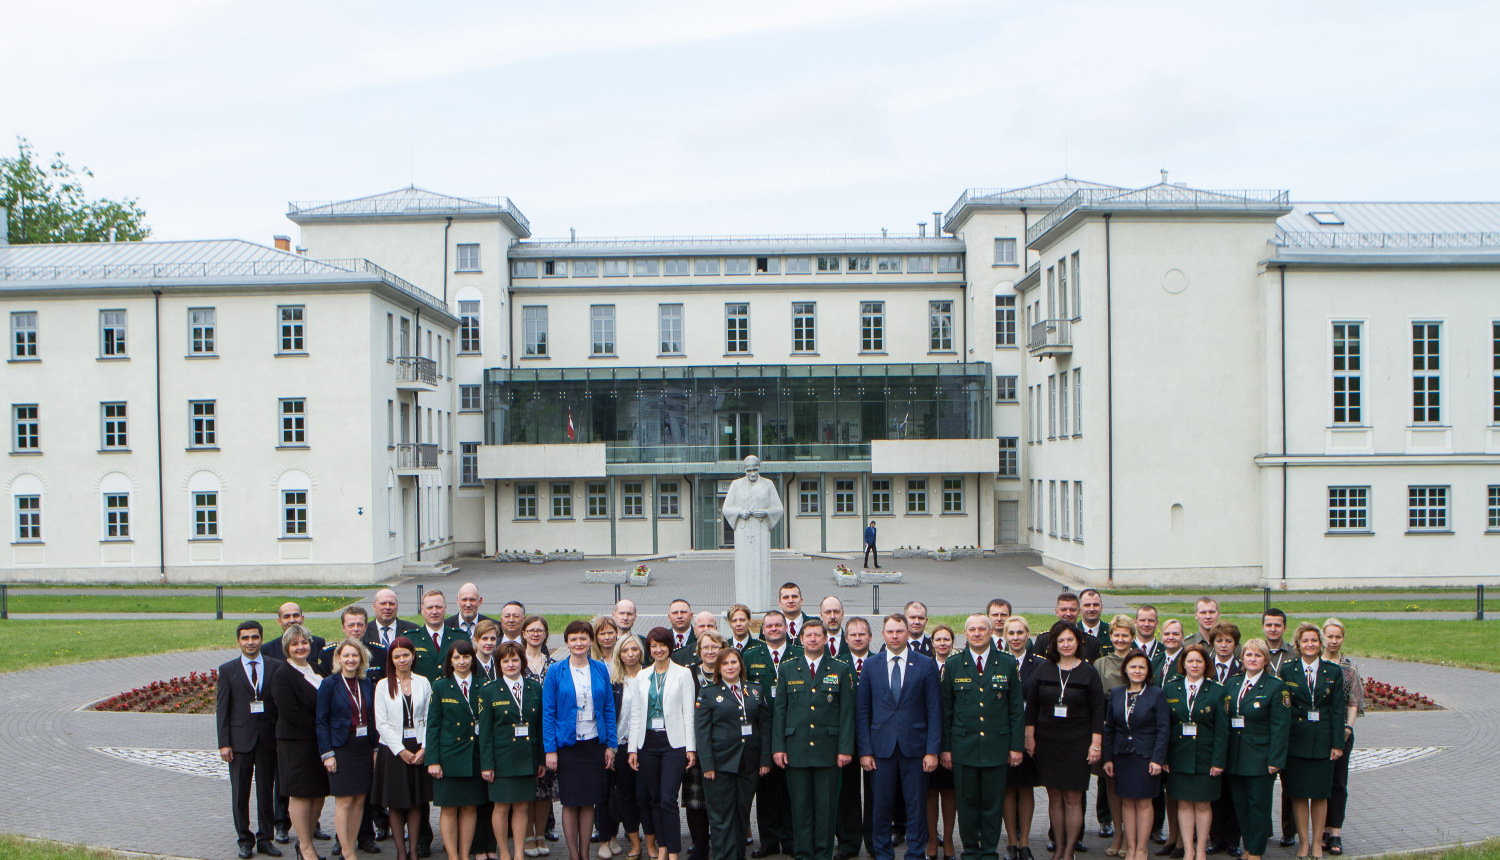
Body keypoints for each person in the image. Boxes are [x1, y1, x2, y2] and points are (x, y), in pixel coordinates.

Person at [941, 615, 1024, 860]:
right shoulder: (954, 664)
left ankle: (988, 852)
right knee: (966, 804)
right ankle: (970, 852)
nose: (977, 634)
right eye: (972, 630)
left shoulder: (1007, 663)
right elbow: (946, 711)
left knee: (992, 803)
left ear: (991, 632)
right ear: (965, 634)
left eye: (982, 629)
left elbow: (1016, 709)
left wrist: (1016, 747)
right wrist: (945, 748)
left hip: (996, 746)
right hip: (963, 747)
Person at [773, 619, 855, 860]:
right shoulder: (788, 668)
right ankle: (803, 854)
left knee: (826, 808)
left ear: (825, 639)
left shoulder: (840, 668)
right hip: (796, 749)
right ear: (800, 639)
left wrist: (845, 749)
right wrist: (778, 746)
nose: (813, 639)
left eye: (818, 635)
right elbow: (780, 711)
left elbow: (847, 713)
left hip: (828, 751)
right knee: (800, 808)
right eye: (808, 635)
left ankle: (822, 854)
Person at [862, 614, 942, 860]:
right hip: (880, 750)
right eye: (890, 631)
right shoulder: (871, 665)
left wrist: (932, 750)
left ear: (908, 633)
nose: (895, 635)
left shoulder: (926, 664)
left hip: (916, 749)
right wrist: (864, 750)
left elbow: (934, 710)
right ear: (883, 635)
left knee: (916, 808)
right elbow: (863, 711)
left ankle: (916, 854)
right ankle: (883, 853)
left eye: (899, 631)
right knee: (881, 808)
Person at [1026, 621, 1106, 860]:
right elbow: (1032, 708)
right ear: (1054, 644)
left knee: (1073, 797)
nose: (1065, 644)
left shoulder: (1088, 672)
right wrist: (1029, 738)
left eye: (1070, 640)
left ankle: (1069, 850)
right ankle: (1058, 847)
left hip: (1078, 741)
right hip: (1048, 741)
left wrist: (1096, 744)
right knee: (1054, 796)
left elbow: (1098, 711)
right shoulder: (1044, 669)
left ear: (1078, 642)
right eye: (1060, 640)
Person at [545, 622, 618, 860]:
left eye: (583, 638)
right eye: (574, 639)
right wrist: (550, 750)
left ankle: (585, 854)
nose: (579, 643)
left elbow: (608, 708)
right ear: (566, 642)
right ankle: (574, 855)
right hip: (568, 746)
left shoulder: (599, 669)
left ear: (590, 642)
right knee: (570, 802)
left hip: (594, 744)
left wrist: (611, 745)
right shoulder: (556, 671)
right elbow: (548, 712)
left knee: (589, 802)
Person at [696, 646, 772, 860]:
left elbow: (764, 727)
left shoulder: (755, 690)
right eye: (725, 663)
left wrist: (765, 758)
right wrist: (707, 764)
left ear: (741, 665)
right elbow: (702, 732)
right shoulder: (708, 693)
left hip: (748, 764)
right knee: (721, 818)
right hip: (720, 765)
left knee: (741, 815)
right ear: (719, 667)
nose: (730, 667)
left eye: (734, 662)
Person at [1278, 624, 1346, 860]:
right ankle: (1304, 843)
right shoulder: (1287, 670)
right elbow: (1282, 709)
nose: (1310, 645)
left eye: (1314, 641)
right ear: (1298, 644)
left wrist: (1338, 744)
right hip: (1295, 741)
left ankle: (1317, 843)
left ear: (1321, 644)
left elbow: (1338, 711)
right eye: (1305, 641)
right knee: (1297, 793)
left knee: (1319, 794)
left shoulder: (1333, 672)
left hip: (1323, 742)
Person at [218, 620, 284, 860]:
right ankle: (245, 840)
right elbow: (222, 710)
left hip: (267, 740)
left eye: (254, 637)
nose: (250, 642)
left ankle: (265, 839)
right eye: (245, 638)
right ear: (238, 641)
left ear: (261, 639)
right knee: (240, 793)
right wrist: (224, 743)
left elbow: (279, 706)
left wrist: (279, 737)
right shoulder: (228, 670)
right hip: (239, 740)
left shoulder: (276, 666)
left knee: (266, 792)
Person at [629, 628, 696, 860]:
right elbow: (636, 713)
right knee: (655, 799)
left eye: (662, 645)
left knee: (669, 798)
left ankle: (674, 852)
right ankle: (663, 849)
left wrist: (690, 747)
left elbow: (689, 713)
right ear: (649, 650)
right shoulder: (642, 676)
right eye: (654, 646)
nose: (658, 650)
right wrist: (632, 749)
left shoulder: (683, 674)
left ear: (670, 647)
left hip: (673, 743)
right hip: (648, 742)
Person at [1224, 640, 1289, 860]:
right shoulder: (1232, 684)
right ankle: (1249, 846)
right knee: (1241, 806)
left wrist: (1276, 759)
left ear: (1265, 660)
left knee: (1258, 806)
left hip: (1260, 757)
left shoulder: (1275, 686)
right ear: (1242, 658)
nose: (1252, 658)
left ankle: (1257, 851)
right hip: (1235, 756)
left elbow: (1280, 727)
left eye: (1258, 655)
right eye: (1248, 654)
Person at [480, 642, 545, 860]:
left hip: (527, 757)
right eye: (505, 661)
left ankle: (519, 854)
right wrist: (487, 764)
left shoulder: (534, 687)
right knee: (501, 807)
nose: (510, 664)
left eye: (515, 660)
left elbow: (540, 727)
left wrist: (541, 760)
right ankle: (505, 853)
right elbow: (486, 732)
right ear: (499, 664)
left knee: (522, 807)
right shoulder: (489, 690)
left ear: (523, 662)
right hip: (501, 760)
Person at [1102, 651, 1169, 860]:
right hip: (1122, 755)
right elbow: (1109, 728)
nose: (1137, 671)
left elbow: (1163, 729)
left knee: (1143, 802)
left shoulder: (1156, 694)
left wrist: (1158, 759)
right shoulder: (1117, 693)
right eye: (1133, 667)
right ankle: (1130, 848)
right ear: (1125, 670)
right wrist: (1108, 758)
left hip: (1146, 757)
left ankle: (1141, 849)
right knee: (1127, 802)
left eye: (1142, 667)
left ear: (1148, 670)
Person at [271, 624, 329, 860]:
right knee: (301, 793)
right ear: (287, 647)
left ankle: (305, 842)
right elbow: (291, 712)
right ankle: (305, 847)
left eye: (304, 642)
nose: (300, 647)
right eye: (295, 644)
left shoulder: (316, 669)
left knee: (319, 792)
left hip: (319, 742)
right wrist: (321, 728)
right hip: (297, 742)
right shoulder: (282, 675)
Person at [1164, 644, 1226, 860]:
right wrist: (1164, 757)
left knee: (1202, 803)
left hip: (1205, 757)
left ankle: (1200, 849)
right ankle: (1188, 850)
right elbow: (1165, 726)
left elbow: (1222, 731)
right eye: (1190, 661)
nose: (1195, 665)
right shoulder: (1171, 688)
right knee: (1182, 803)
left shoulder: (1217, 690)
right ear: (1183, 663)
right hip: (1178, 755)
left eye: (1199, 661)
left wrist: (1218, 761)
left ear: (1206, 664)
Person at [373, 638, 433, 860]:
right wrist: (400, 750)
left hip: (418, 747)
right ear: (391, 659)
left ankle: (414, 851)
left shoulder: (423, 682)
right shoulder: (382, 685)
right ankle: (400, 853)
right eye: (396, 656)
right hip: (393, 749)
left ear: (413, 656)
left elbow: (429, 718)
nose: (401, 660)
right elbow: (381, 723)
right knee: (396, 802)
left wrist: (424, 748)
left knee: (417, 801)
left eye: (405, 655)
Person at [426, 639, 487, 860]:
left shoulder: (483, 685)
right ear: (450, 661)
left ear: (473, 659)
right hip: (449, 757)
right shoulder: (440, 686)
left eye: (466, 656)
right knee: (449, 808)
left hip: (474, 756)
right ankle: (453, 856)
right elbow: (433, 726)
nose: (462, 661)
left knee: (470, 807)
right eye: (457, 657)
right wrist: (433, 760)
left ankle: (464, 854)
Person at [317, 639, 376, 860]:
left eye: (355, 655)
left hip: (364, 747)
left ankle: (349, 847)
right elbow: (321, 721)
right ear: (338, 658)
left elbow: (372, 717)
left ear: (361, 659)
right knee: (344, 801)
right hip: (341, 748)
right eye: (346, 655)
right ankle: (347, 851)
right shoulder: (329, 684)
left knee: (360, 799)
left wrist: (375, 749)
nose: (351, 660)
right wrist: (327, 753)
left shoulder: (366, 683)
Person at [754, 611, 800, 858]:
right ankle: (769, 842)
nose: (773, 629)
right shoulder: (751, 657)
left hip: (793, 733)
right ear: (763, 630)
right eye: (769, 625)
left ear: (786, 628)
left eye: (778, 625)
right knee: (766, 793)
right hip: (762, 734)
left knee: (790, 791)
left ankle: (790, 841)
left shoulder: (799, 655)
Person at [1003, 616, 1046, 860]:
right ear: (1005, 636)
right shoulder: (998, 662)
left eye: (1020, 633)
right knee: (1008, 788)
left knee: (1026, 787)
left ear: (1028, 635)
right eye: (1011, 633)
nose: (1016, 637)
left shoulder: (1039, 665)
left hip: (1030, 734)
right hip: (1004, 735)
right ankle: (1010, 842)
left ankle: (1026, 843)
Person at [1094, 617, 1137, 857]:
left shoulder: (1140, 660)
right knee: (1111, 781)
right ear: (1110, 637)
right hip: (1110, 729)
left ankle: (1133, 840)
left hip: (1137, 731)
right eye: (1116, 635)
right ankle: (1118, 836)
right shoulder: (1101, 663)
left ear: (1132, 636)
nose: (1120, 640)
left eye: (1125, 635)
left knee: (1134, 787)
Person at [1318, 620, 1360, 858]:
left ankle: (1336, 832)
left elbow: (1355, 701)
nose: (1333, 641)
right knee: (1320, 782)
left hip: (1341, 731)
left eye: (1338, 637)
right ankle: (1321, 830)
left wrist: (1348, 728)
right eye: (1329, 636)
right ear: (1322, 637)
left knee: (1338, 783)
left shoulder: (1349, 668)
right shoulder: (1315, 663)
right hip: (1317, 732)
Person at [684, 633, 727, 860]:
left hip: (724, 745)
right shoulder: (688, 674)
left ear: (723, 648)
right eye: (705, 647)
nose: (710, 651)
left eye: (715, 647)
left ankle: (721, 845)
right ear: (699, 650)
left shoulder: (729, 671)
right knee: (695, 799)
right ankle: (700, 845)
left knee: (720, 797)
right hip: (696, 744)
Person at [835, 616, 874, 860]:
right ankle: (849, 843)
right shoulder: (837, 665)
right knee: (847, 793)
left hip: (875, 740)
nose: (858, 638)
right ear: (846, 638)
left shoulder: (880, 662)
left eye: (862, 634)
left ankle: (874, 842)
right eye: (853, 634)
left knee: (876, 794)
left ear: (871, 637)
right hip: (845, 740)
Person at [522, 615, 560, 856]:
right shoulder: (514, 660)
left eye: (540, 630)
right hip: (522, 735)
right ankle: (527, 836)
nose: (535, 634)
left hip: (547, 732)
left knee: (544, 788)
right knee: (526, 789)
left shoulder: (554, 665)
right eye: (531, 630)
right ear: (524, 633)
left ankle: (540, 834)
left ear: (546, 634)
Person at [1205, 626, 1243, 859]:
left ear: (1235, 644)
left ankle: (1232, 840)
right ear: (1212, 643)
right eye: (1219, 640)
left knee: (1233, 792)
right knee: (1212, 792)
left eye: (1229, 641)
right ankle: (1214, 838)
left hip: (1237, 740)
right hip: (1208, 740)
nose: (1224, 645)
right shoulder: (1203, 667)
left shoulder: (1242, 669)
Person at [610, 633, 648, 860]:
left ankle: (652, 841)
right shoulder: (614, 680)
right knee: (626, 797)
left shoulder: (651, 676)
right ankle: (635, 844)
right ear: (619, 654)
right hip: (621, 745)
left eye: (634, 650)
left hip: (647, 746)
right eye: (625, 651)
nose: (630, 654)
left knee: (645, 796)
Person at [925, 624, 958, 860]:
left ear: (953, 642)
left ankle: (948, 840)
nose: (943, 643)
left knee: (949, 792)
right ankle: (930, 840)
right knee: (929, 792)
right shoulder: (925, 665)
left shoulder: (958, 666)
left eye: (947, 639)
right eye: (938, 639)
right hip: (926, 739)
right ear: (932, 642)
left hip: (952, 739)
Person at [471, 621, 503, 860]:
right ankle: (478, 847)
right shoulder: (468, 665)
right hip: (473, 741)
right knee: (477, 798)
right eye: (485, 639)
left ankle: (492, 847)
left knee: (494, 799)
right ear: (476, 641)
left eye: (493, 639)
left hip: (496, 739)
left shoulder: (499, 665)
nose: (489, 643)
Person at [413, 591, 470, 682]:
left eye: (438, 607)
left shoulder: (461, 637)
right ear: (422, 610)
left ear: (445, 609)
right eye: (430, 607)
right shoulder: (411, 639)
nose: (434, 612)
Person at [1033, 594, 1103, 663]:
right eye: (1063, 610)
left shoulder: (1092, 642)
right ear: (1057, 612)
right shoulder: (1043, 640)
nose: (1068, 614)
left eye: (1072, 610)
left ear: (1079, 612)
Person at [821, 596, 848, 661]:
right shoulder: (815, 642)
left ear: (843, 614)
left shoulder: (851, 642)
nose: (832, 617)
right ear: (821, 616)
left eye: (836, 612)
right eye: (828, 612)